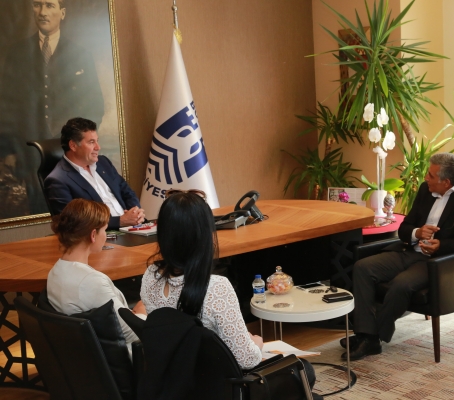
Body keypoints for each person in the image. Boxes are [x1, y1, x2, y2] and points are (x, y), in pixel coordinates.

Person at [139, 190, 321, 397]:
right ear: (204, 236)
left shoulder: (150, 276)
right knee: (305, 370)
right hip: (221, 388)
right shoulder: (216, 287)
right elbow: (247, 359)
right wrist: (256, 342)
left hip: (176, 383)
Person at [345, 153, 454, 360]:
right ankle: (367, 335)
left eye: (431, 175)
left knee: (401, 285)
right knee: (363, 267)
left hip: (438, 263)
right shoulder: (425, 190)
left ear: (446, 181)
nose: (425, 178)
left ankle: (369, 337)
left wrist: (441, 246)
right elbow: (405, 227)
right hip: (408, 251)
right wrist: (417, 233)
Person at [0, 0, 104, 215]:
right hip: (30, 155)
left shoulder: (80, 54)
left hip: (71, 153)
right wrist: (10, 150)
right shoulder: (17, 53)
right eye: (37, 5)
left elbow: (95, 106)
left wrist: (82, 145)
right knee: (39, 214)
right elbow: (6, 106)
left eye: (49, 5)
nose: (42, 12)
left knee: (77, 215)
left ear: (62, 13)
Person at [46, 198, 146, 352]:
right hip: (127, 357)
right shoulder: (91, 282)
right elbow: (133, 333)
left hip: (85, 355)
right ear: (93, 235)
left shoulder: (55, 272)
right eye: (104, 230)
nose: (105, 235)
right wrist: (142, 312)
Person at [45, 117, 144, 230]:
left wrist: (135, 212)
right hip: (104, 235)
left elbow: (127, 191)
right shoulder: (57, 180)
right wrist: (120, 221)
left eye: (97, 141)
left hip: (133, 227)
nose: (98, 147)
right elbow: (73, 222)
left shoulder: (103, 163)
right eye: (91, 142)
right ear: (73, 145)